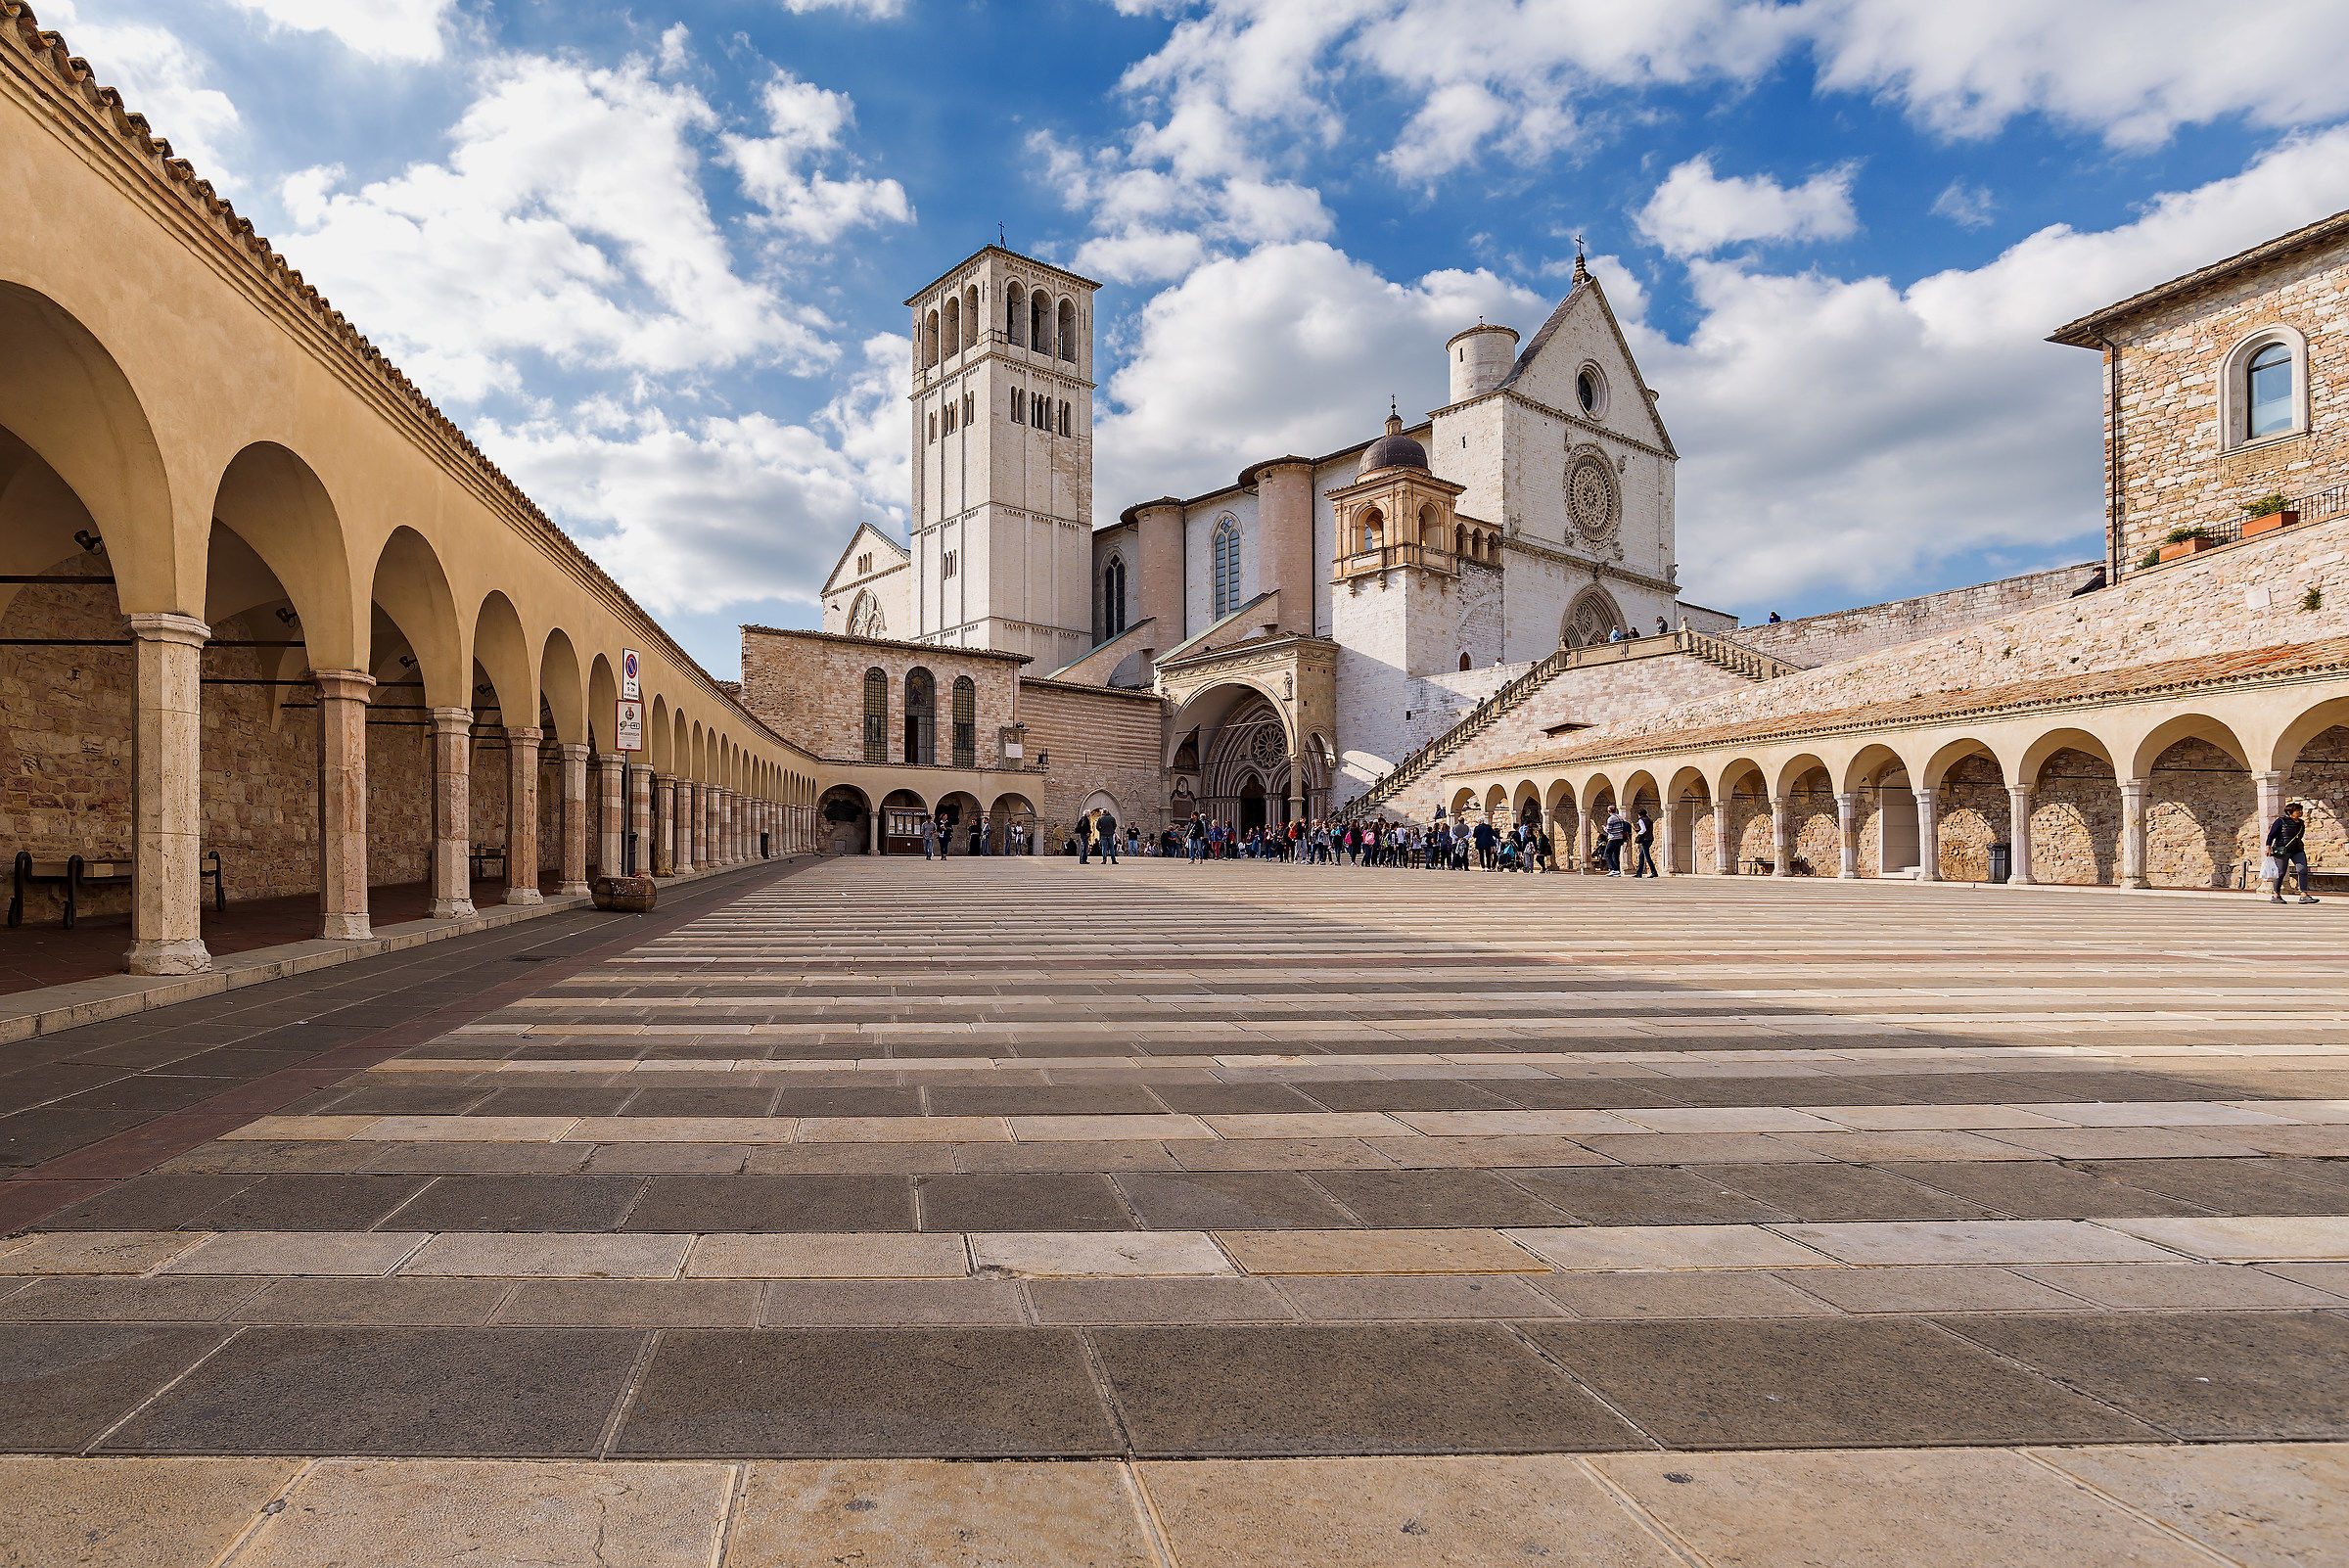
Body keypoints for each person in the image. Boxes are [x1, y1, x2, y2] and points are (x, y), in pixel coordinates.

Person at [2268, 802, 2320, 903]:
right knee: (2281, 872)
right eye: (2297, 810)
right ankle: (2276, 895)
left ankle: (2304, 895)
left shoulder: (2301, 823)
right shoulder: (2281, 821)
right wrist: (2268, 847)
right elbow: (2271, 835)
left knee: (2303, 870)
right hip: (2282, 850)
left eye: (2301, 810)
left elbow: (2300, 837)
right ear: (2289, 812)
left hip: (2297, 850)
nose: (2300, 812)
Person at [1602, 807, 1631, 875]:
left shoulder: (1611, 819)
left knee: (1607, 854)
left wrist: (1604, 828)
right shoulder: (1620, 817)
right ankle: (1617, 870)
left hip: (1613, 838)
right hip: (1620, 838)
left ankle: (1613, 869)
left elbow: (1609, 830)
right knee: (1615, 855)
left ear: (1609, 811)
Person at [1631, 808, 1658, 877]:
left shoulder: (1641, 820)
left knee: (1647, 856)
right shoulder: (1649, 819)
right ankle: (1639, 873)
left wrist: (1638, 834)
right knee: (1641, 856)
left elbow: (1643, 829)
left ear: (1639, 814)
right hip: (1650, 838)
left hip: (1645, 839)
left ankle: (1654, 872)